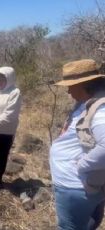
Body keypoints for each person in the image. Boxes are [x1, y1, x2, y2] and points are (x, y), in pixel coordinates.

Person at [50, 59, 105, 230]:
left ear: (83, 85)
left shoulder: (100, 110)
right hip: (81, 185)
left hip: (75, 186)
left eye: (70, 85)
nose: (67, 90)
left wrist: (82, 165)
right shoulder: (85, 105)